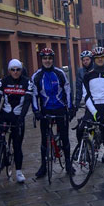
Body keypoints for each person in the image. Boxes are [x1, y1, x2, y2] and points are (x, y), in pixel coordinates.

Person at [0, 59, 33, 183]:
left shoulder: (27, 82)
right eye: (13, 70)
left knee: (17, 145)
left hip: (18, 116)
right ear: (9, 70)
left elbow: (27, 102)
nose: (15, 72)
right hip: (4, 115)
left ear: (21, 70)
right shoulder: (3, 81)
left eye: (18, 69)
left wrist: (22, 118)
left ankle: (18, 172)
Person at [32, 48, 74, 177]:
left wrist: (70, 107)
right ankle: (43, 166)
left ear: (53, 59)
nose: (47, 61)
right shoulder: (37, 76)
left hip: (60, 109)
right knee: (44, 140)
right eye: (45, 58)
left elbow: (67, 90)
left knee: (65, 137)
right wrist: (36, 111)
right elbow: (33, 95)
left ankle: (68, 164)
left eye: (50, 58)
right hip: (45, 110)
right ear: (41, 60)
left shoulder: (60, 73)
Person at [82, 46, 104, 180]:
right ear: (94, 59)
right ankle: (85, 149)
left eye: (102, 58)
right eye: (97, 58)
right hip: (93, 108)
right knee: (80, 129)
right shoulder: (88, 76)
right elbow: (86, 96)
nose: (100, 60)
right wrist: (94, 112)